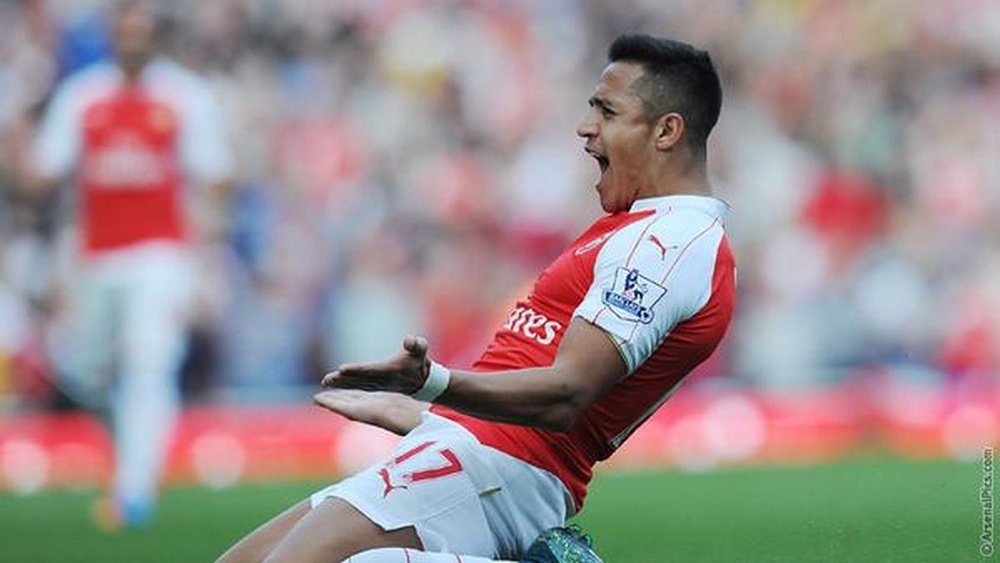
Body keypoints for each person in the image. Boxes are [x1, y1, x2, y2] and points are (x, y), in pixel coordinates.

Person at [219, 33, 733, 562]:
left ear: (667, 130)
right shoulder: (640, 230)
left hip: (490, 469)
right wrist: (431, 414)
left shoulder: (669, 243)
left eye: (606, 111)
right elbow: (550, 382)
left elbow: (565, 398)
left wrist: (431, 384)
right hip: (471, 453)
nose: (585, 127)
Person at [27, 0, 233, 528]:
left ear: (154, 37)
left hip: (161, 253)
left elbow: (214, 174)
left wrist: (208, 250)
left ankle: (136, 491)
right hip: (96, 257)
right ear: (112, 35)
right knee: (86, 372)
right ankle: (130, 458)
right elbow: (45, 172)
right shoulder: (83, 96)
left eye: (141, 32)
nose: (132, 41)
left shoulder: (183, 96)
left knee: (148, 362)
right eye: (124, 31)